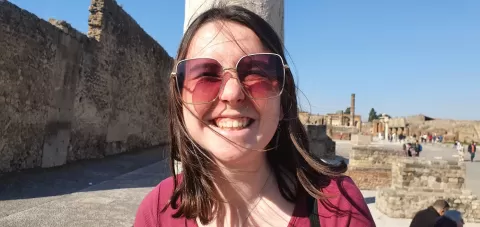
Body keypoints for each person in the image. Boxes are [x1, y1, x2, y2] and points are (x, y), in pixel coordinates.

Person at [133, 5, 375, 227]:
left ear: (283, 98)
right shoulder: (156, 212)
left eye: (257, 73)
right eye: (206, 76)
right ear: (179, 100)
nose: (232, 93)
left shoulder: (339, 208)